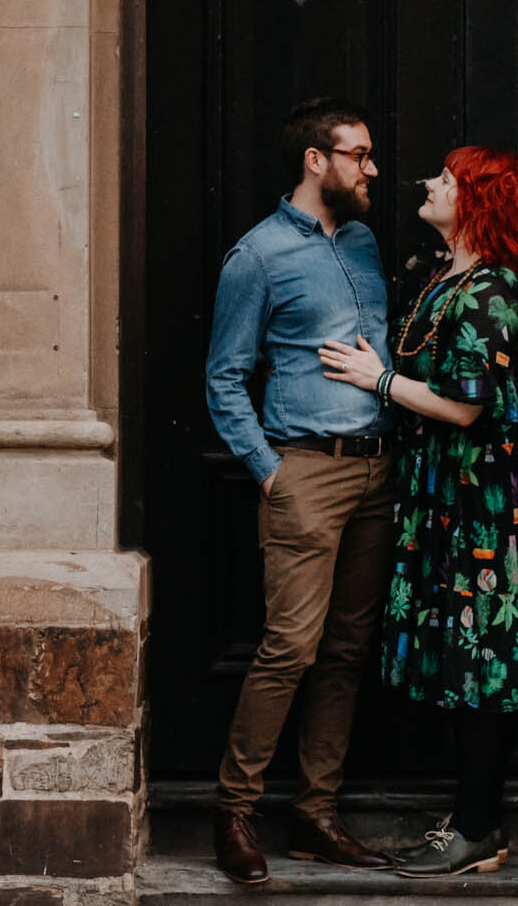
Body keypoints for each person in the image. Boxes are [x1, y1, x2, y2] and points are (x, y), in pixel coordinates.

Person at [318, 146, 518, 878]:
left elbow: (465, 407)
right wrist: (386, 365)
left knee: (484, 660)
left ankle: (473, 828)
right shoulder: (447, 278)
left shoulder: (491, 291)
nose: (429, 183)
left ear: (476, 202)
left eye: (447, 178)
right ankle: (477, 822)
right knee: (471, 660)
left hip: (484, 506)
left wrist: (378, 378)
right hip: (447, 498)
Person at [202, 97, 396, 885]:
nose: (371, 167)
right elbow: (223, 376)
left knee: (347, 653)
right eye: (358, 153)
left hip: (377, 470)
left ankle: (316, 814)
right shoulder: (257, 257)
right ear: (316, 160)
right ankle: (234, 809)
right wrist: (269, 467)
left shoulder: (365, 240)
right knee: (291, 647)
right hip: (305, 471)